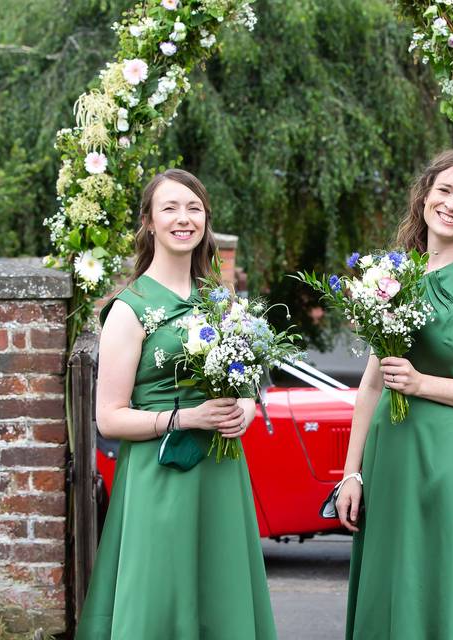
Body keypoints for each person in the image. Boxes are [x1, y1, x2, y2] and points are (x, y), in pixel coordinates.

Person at [76, 169, 277, 639]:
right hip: (158, 477)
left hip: (221, 472)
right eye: (170, 208)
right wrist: (187, 417)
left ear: (206, 220)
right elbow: (109, 417)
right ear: (149, 221)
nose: (183, 219)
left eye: (194, 208)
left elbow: (248, 388)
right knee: (159, 599)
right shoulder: (130, 308)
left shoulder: (219, 301)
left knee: (220, 593)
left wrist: (243, 411)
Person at [338, 149, 453, 639]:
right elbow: (372, 385)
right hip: (389, 457)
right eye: (444, 190)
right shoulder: (393, 278)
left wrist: (422, 385)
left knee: (433, 583)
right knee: (388, 586)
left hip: (449, 459)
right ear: (425, 196)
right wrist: (351, 474)